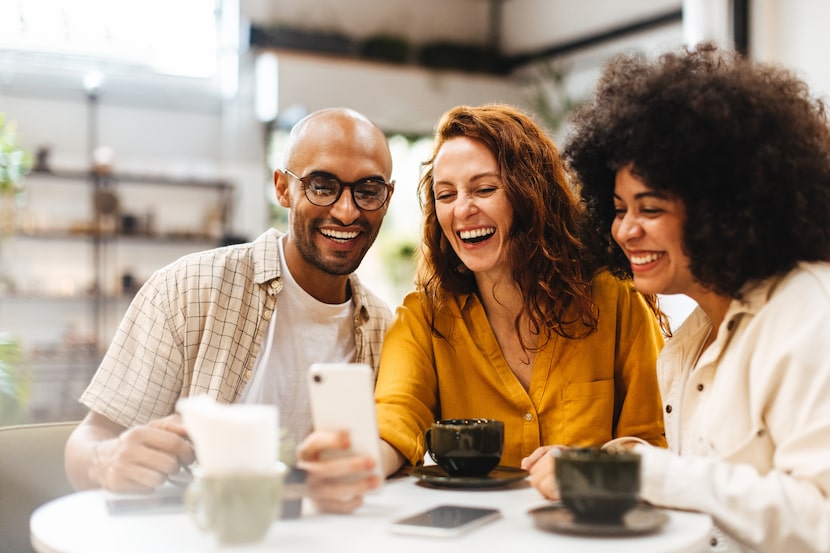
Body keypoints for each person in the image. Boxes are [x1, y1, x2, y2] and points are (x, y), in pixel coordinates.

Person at [524, 43, 830, 552]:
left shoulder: (807, 313)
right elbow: (719, 487)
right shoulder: (693, 338)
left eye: (651, 208)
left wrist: (651, 472)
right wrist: (621, 465)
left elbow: (820, 515)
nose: (625, 230)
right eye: (619, 208)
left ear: (722, 209)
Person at [65, 107, 394, 513]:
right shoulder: (188, 289)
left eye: (368, 190)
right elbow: (89, 440)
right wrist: (105, 460)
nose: (347, 211)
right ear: (283, 188)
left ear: (387, 198)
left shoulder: (386, 329)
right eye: (322, 186)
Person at [371, 104, 667, 476]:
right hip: (479, 533)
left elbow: (657, 441)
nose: (462, 210)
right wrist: (360, 462)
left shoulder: (614, 298)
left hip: (589, 528)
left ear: (531, 194)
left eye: (485, 189)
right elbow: (395, 418)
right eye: (445, 195)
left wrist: (587, 465)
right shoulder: (425, 317)